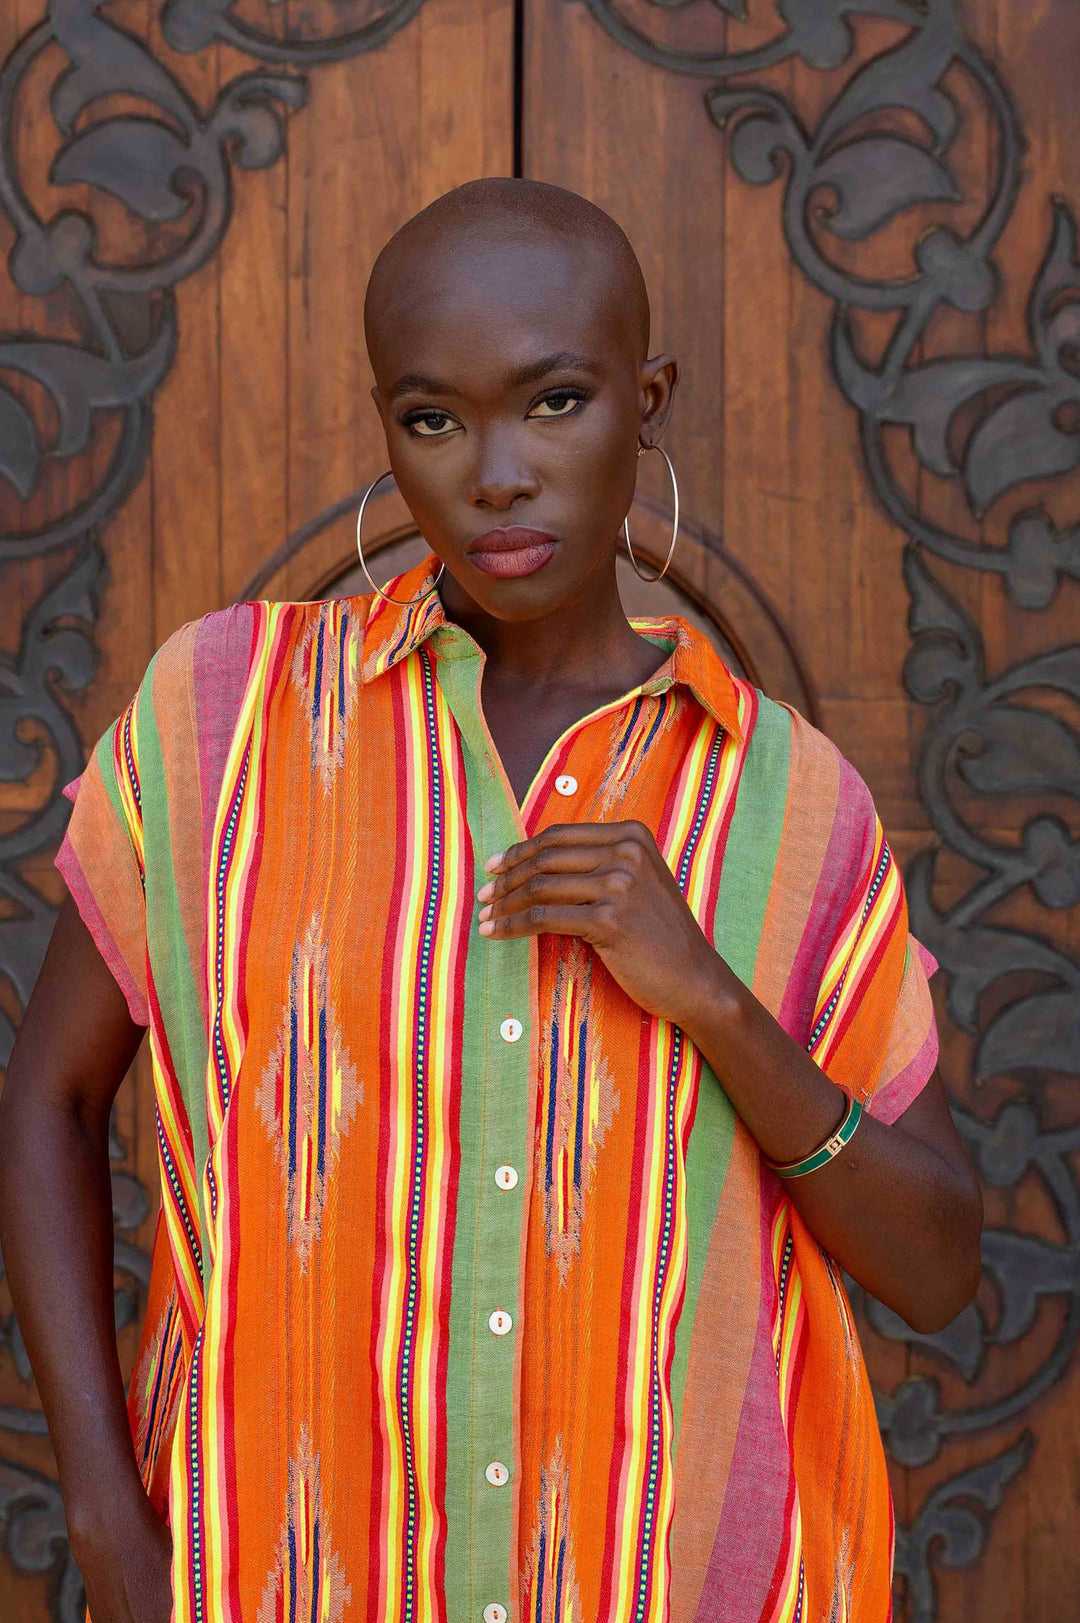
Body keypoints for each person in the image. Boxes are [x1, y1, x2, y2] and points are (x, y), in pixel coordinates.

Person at [0, 176, 981, 1623]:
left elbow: (940, 1268)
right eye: (434, 420)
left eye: (555, 402)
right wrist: (103, 1515)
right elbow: (50, 1100)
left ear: (648, 401)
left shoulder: (789, 798)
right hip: (279, 1581)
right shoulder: (224, 715)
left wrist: (714, 1004)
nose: (497, 475)